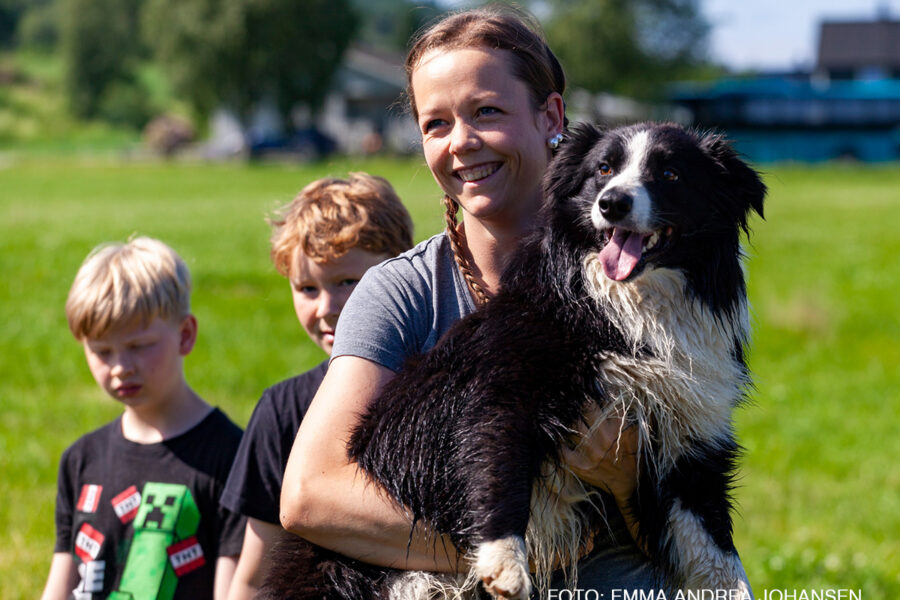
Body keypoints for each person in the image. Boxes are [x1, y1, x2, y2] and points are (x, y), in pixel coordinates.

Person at [282, 5, 753, 596]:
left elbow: (684, 487)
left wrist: (623, 478)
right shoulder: (402, 290)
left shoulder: (670, 284)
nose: (461, 143)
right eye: (435, 124)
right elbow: (310, 495)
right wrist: (502, 552)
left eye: (487, 112)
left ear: (550, 114)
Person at [220, 173, 415, 600]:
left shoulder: (437, 389)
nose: (327, 308)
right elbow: (252, 576)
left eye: (347, 282)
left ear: (402, 269)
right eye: (307, 288)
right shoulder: (283, 409)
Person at [40, 237, 245, 600]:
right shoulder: (81, 459)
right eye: (102, 351)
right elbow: (62, 578)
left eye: (138, 346)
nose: (120, 368)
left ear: (185, 335)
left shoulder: (232, 456)